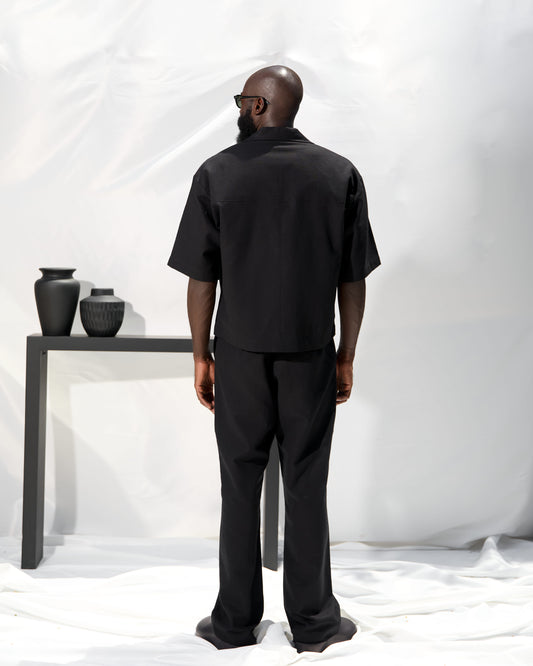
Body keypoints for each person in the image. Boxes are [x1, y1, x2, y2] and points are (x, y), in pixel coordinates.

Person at [167, 65, 381, 653]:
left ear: (259, 105)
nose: (240, 109)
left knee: (239, 484)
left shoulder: (217, 172)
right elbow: (353, 278)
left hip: (239, 353)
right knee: (307, 482)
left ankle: (234, 623)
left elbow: (201, 278)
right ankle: (313, 624)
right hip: (311, 352)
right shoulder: (339, 173)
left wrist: (201, 356)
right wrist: (346, 355)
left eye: (243, 100)